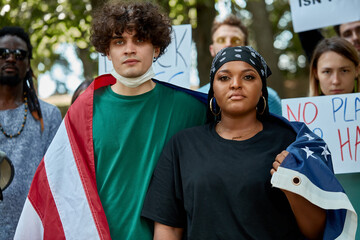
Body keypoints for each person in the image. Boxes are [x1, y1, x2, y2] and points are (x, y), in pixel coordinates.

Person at [14, 1, 206, 239]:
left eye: (140, 40)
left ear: (156, 48)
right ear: (107, 51)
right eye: (119, 42)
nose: (129, 49)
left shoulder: (192, 109)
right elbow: (59, 188)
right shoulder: (83, 111)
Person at [141, 46, 357, 239]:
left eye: (248, 77)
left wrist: (293, 185)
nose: (235, 84)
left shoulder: (292, 144)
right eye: (224, 78)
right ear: (213, 89)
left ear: (262, 88)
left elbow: (316, 232)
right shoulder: (183, 144)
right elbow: (168, 228)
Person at [0, 26, 62, 239]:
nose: (10, 59)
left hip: (33, 230)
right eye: (3, 53)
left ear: (28, 64)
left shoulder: (49, 115)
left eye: (19, 54)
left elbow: (57, 178)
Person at [309, 36, 360, 238]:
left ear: (357, 70)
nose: (336, 80)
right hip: (328, 225)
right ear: (316, 73)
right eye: (327, 72)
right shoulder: (300, 125)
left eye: (344, 70)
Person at [197, 14, 283, 115]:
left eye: (235, 40)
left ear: (247, 49)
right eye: (221, 40)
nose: (228, 44)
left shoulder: (270, 99)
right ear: (212, 49)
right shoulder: (197, 98)